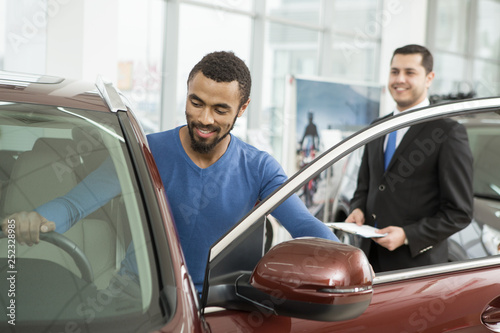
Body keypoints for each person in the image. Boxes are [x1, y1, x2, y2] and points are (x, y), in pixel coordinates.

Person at [2, 51, 338, 293]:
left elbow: (304, 225)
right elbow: (76, 204)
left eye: (220, 109)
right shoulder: (146, 151)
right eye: (196, 102)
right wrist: (36, 219)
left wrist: (345, 257)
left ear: (243, 108)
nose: (205, 119)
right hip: (141, 297)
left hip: (223, 306)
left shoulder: (260, 168)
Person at [345, 44, 473, 272]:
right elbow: (365, 188)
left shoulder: (447, 132)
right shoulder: (377, 127)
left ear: (429, 78)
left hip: (415, 269)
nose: (399, 79)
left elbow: (459, 212)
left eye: (410, 72)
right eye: (394, 71)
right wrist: (358, 209)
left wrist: (407, 235)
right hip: (368, 261)